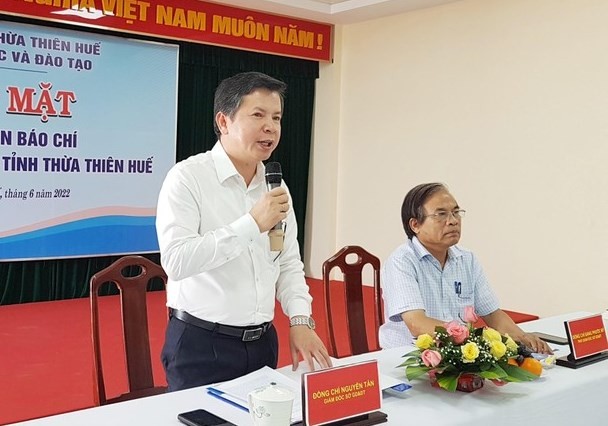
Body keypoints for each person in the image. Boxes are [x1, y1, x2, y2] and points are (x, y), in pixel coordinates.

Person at [156, 71, 331, 391]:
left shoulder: (276, 187)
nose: (271, 127)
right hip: (200, 346)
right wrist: (252, 224)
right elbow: (177, 261)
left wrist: (300, 320)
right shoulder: (187, 178)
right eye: (258, 115)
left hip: (262, 344)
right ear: (223, 121)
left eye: (276, 117)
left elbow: (288, 263)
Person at [378, 182, 552, 354]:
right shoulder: (401, 261)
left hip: (458, 353)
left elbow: (493, 314)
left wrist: (523, 337)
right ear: (415, 225)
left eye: (456, 213)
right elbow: (417, 324)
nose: (453, 221)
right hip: (407, 357)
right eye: (441, 214)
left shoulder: (466, 259)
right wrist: (476, 342)